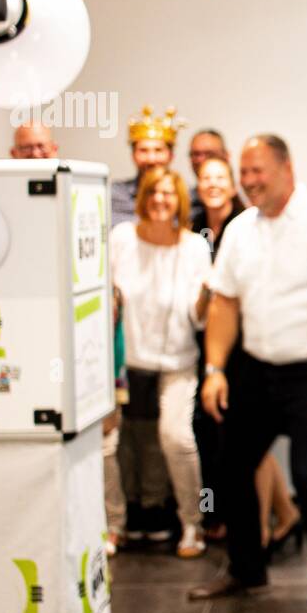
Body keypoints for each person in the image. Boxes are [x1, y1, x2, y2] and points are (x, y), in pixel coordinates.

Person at [189, 136, 307, 613]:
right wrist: (216, 370)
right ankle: (247, 570)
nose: (248, 180)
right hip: (254, 370)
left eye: (257, 170)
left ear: (287, 167)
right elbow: (223, 304)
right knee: (231, 466)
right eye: (243, 171)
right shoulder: (240, 231)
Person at [189, 155, 299, 548]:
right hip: (212, 346)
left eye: (221, 177)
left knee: (248, 443)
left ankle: (267, 528)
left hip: (249, 347)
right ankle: (281, 517)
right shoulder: (193, 226)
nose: (213, 184)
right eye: (206, 178)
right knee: (231, 443)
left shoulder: (248, 219)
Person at [108, 165, 213, 558]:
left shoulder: (193, 247)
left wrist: (206, 294)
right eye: (153, 192)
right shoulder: (121, 239)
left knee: (175, 437)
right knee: (108, 443)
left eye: (168, 193)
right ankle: (113, 524)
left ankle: (192, 524)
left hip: (176, 361)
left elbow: (196, 317)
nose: (160, 200)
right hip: (123, 361)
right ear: (142, 197)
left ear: (180, 200)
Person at [110, 106, 182, 541]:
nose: (151, 157)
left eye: (158, 149)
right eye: (143, 149)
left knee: (165, 429)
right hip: (126, 331)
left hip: (172, 335)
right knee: (126, 427)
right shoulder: (114, 198)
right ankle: (129, 510)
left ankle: (161, 507)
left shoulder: (184, 194)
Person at [188, 129, 228, 205]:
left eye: (209, 154)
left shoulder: (244, 201)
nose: (201, 160)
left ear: (226, 156)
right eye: (196, 154)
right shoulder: (185, 203)